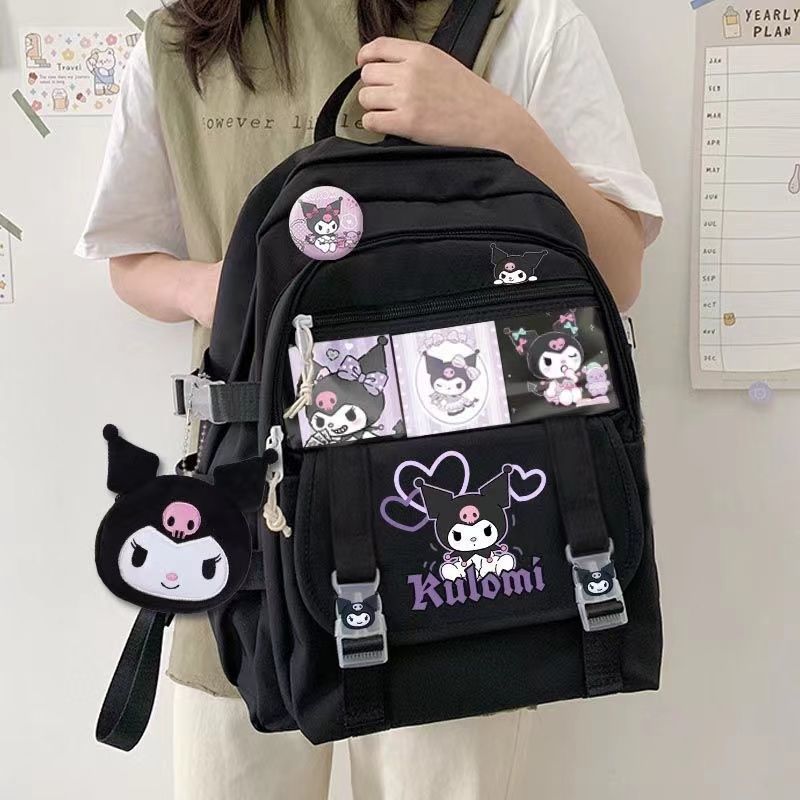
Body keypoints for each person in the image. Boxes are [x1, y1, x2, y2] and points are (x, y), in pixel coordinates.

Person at [76, 1, 663, 797]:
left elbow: (616, 273)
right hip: (249, 513)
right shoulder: (186, 35)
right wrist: (219, 289)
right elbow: (130, 257)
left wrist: (501, 130)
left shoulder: (524, 23)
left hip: (459, 545)